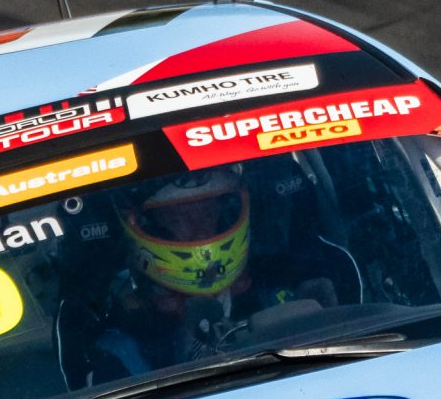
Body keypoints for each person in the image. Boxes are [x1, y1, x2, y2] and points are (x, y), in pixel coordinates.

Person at [76, 162, 350, 380]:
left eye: (208, 211)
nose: (200, 229)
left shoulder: (291, 289)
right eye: (179, 218)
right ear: (150, 226)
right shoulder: (120, 347)